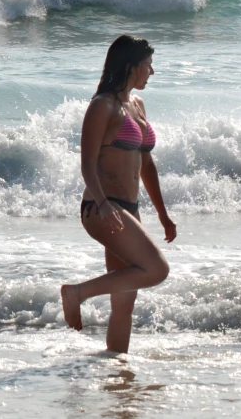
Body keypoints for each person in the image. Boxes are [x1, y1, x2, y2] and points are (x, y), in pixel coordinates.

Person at [61, 35, 176, 354]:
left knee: (124, 303)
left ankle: (116, 367)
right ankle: (76, 294)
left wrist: (163, 214)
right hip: (101, 207)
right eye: (148, 66)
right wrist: (102, 204)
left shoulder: (136, 105)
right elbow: (86, 164)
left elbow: (146, 164)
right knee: (156, 270)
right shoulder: (102, 106)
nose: (151, 73)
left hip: (128, 208)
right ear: (132, 66)